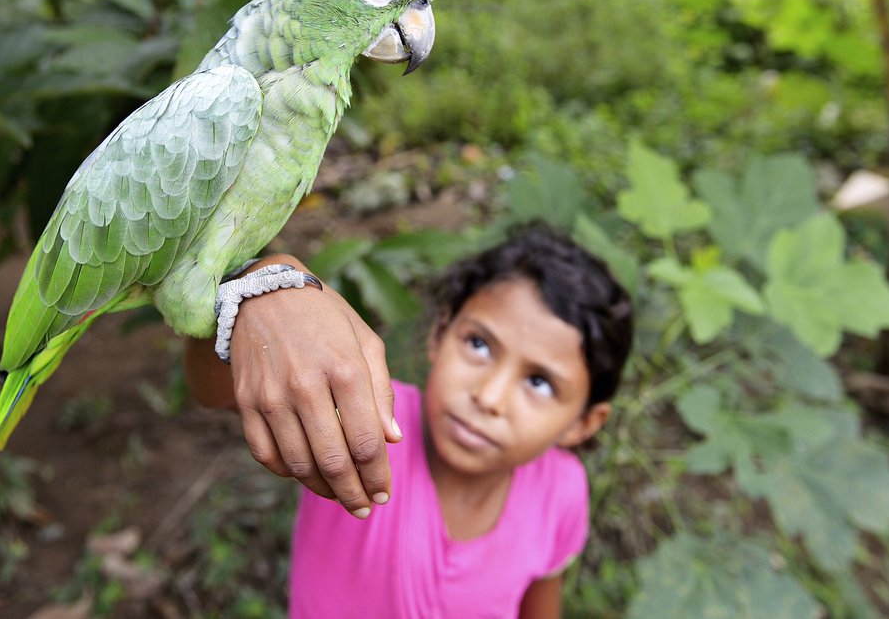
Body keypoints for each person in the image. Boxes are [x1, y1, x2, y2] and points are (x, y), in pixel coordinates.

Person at [184, 225, 634, 617]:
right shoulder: (364, 413)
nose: (488, 396)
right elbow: (217, 393)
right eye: (478, 344)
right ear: (439, 335)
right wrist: (257, 290)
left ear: (584, 422)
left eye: (539, 383)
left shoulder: (562, 491)